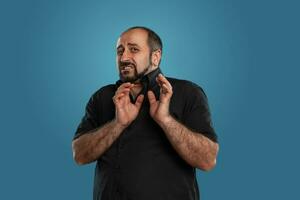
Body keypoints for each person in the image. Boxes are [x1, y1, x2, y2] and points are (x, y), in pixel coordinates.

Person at [72, 26, 219, 200]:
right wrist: (117, 124)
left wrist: (165, 120)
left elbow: (207, 160)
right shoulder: (102, 97)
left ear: (155, 57)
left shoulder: (187, 93)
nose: (124, 57)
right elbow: (79, 155)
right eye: (120, 51)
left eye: (134, 49)